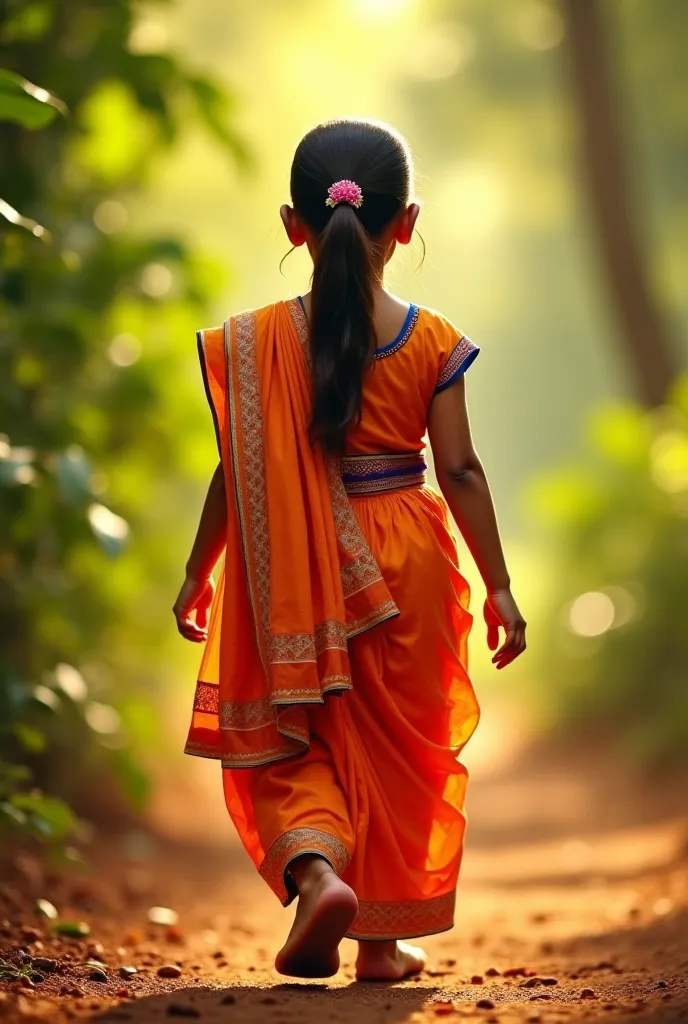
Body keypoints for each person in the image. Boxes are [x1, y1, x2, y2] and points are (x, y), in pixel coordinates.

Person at [173, 118, 526, 982]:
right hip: (408, 557)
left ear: (294, 225)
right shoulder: (433, 341)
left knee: (305, 735)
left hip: (293, 565)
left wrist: (199, 570)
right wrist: (501, 589)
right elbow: (464, 470)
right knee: (402, 749)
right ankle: (379, 943)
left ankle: (319, 874)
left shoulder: (261, 346)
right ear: (405, 225)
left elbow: (236, 471)